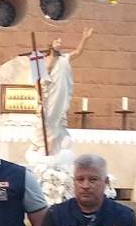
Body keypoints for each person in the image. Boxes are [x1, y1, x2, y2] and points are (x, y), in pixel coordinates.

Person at [29, 27, 93, 156]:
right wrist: (39, 95)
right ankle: (43, 147)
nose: (59, 43)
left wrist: (84, 38)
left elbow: (77, 52)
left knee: (57, 125)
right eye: (56, 41)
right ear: (51, 45)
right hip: (48, 98)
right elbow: (37, 80)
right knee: (46, 122)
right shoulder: (40, 60)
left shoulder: (64, 58)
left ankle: (52, 148)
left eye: (60, 42)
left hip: (60, 97)